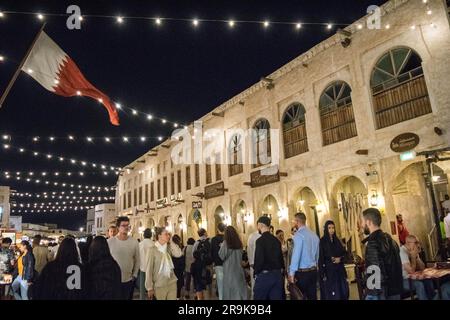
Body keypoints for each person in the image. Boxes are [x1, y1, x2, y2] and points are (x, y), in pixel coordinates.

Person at [361, 208, 403, 300]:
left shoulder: (372, 243)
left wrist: (371, 295)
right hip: (395, 289)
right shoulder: (391, 240)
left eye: (362, 222)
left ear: (368, 222)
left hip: (382, 292)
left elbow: (374, 270)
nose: (361, 225)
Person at [288, 212, 320, 300]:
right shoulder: (314, 236)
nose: (293, 223)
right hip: (313, 272)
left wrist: (291, 273)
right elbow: (317, 255)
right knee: (313, 297)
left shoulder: (298, 236)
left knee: (300, 297)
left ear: (297, 221)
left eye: (293, 221)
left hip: (302, 274)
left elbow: (296, 256)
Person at [107, 216, 140, 300]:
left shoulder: (134, 242)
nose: (126, 227)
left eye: (127, 225)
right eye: (123, 225)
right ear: (118, 227)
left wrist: (135, 275)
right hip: (113, 281)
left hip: (128, 280)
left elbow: (137, 259)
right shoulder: (110, 242)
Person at [253, 216, 284, 300]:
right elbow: (281, 259)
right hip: (277, 276)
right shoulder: (276, 240)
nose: (257, 227)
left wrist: (255, 273)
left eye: (257, 225)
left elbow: (259, 259)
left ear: (260, 225)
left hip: (265, 276)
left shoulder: (260, 241)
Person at [319, 220, 349, 300]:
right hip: (329, 272)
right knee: (332, 294)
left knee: (343, 292)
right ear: (326, 229)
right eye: (329, 228)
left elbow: (345, 254)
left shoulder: (337, 240)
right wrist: (323, 274)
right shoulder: (322, 241)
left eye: (333, 228)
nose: (331, 230)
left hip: (339, 271)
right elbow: (321, 259)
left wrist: (340, 259)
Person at [145, 227, 178, 300]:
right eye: (166, 234)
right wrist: (149, 287)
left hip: (172, 282)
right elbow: (149, 269)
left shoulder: (168, 248)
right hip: (159, 284)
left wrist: (171, 242)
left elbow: (178, 254)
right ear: (159, 236)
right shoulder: (152, 250)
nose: (168, 236)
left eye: (168, 234)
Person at [400, 235, 434, 300]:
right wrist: (413, 258)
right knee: (419, 284)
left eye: (418, 242)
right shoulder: (402, 252)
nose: (418, 245)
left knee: (427, 279)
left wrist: (416, 257)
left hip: (412, 278)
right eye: (416, 242)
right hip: (402, 280)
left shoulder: (412, 250)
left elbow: (422, 268)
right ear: (407, 243)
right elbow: (411, 271)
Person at [219, 226, 247, 300]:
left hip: (229, 270)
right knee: (239, 290)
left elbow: (221, 256)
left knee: (230, 292)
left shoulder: (225, 243)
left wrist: (221, 246)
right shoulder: (239, 243)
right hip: (238, 270)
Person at [192, 228, 212, 300]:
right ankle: (208, 296)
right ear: (204, 233)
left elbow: (193, 254)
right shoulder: (209, 241)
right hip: (208, 265)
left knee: (199, 281)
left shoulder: (196, 243)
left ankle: (200, 297)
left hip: (199, 266)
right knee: (208, 282)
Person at [138, 228, 154, 300]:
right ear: (151, 235)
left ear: (144, 235)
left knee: (142, 290)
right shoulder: (153, 244)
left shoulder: (140, 244)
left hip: (142, 268)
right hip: (152, 269)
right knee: (152, 289)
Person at [211, 223, 225, 300]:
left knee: (220, 285)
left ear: (217, 229)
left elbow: (212, 252)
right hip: (227, 264)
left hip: (218, 264)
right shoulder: (227, 239)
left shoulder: (213, 239)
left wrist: (213, 262)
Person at [247, 229, 261, 296]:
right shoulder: (252, 236)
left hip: (264, 264)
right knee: (254, 282)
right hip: (254, 263)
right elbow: (249, 249)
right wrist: (251, 262)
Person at [170, 234, 185, 300]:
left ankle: (176, 297)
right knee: (178, 284)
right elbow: (178, 255)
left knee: (177, 284)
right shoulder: (175, 248)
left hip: (176, 268)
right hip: (177, 268)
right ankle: (177, 297)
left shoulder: (174, 247)